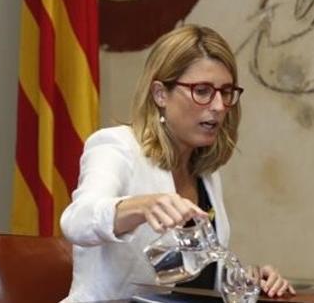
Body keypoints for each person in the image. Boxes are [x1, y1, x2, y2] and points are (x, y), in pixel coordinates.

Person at [60, 25, 294, 302]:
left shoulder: (205, 171)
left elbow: (189, 278)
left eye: (226, 91)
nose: (219, 106)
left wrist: (247, 279)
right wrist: (141, 206)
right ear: (160, 94)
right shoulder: (116, 146)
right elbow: (77, 221)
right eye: (203, 91)